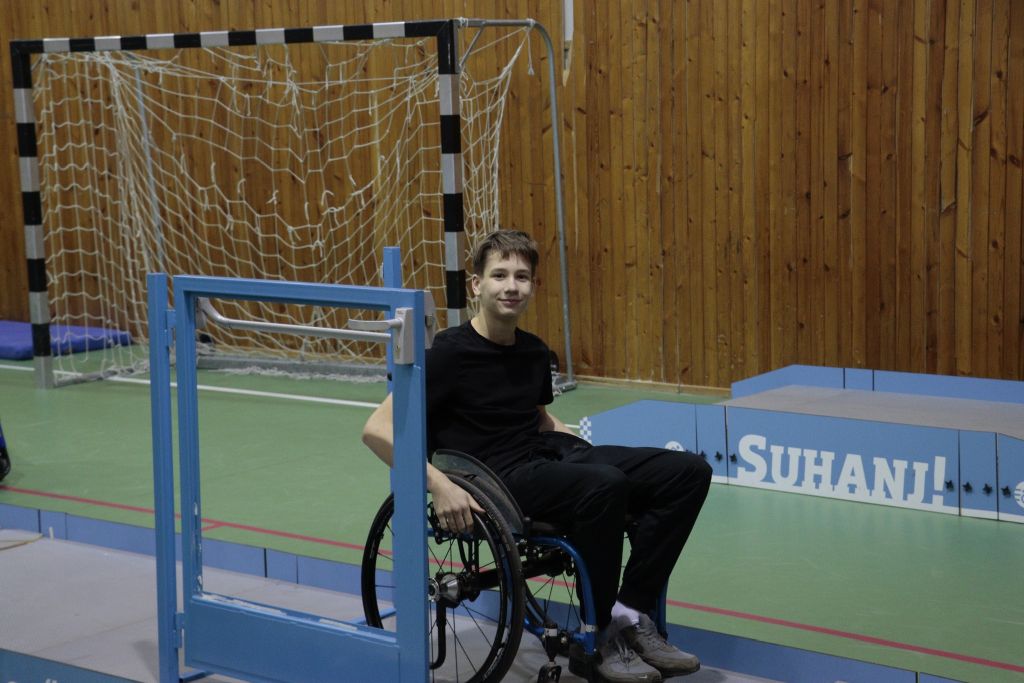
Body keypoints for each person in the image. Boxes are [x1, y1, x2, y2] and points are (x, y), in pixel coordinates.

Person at [363, 229, 712, 682]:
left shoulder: (532, 350)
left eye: (522, 276)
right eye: (500, 275)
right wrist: (441, 485)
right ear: (477, 285)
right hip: (496, 478)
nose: (511, 286)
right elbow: (377, 431)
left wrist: (586, 452)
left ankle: (629, 612)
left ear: (533, 286)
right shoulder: (446, 353)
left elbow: (540, 419)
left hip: (545, 456)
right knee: (605, 485)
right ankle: (598, 637)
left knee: (687, 472)